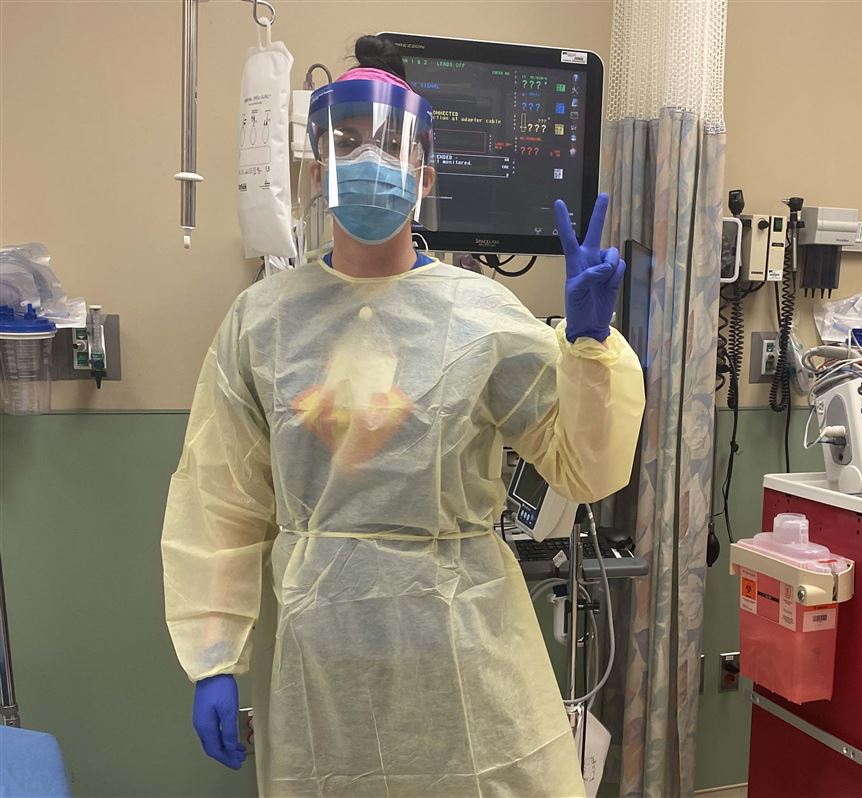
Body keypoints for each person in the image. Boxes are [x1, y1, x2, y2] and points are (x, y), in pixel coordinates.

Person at [161, 34, 645, 798]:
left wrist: (589, 346)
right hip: (323, 661)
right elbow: (220, 499)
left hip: (462, 647)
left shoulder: (480, 315)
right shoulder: (263, 323)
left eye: (390, 145)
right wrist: (214, 656)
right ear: (317, 168)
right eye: (347, 142)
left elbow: (583, 468)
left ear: (424, 172)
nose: (369, 159)